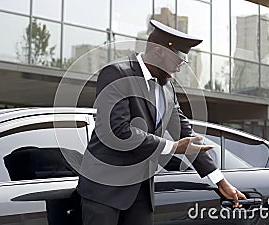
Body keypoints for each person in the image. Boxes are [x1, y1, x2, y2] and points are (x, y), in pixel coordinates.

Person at [77, 20, 246, 225]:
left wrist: (220, 181)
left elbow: (185, 134)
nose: (180, 68)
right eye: (178, 61)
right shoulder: (116, 74)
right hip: (104, 191)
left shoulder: (168, 89)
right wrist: (172, 148)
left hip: (141, 194)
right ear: (158, 52)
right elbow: (119, 130)